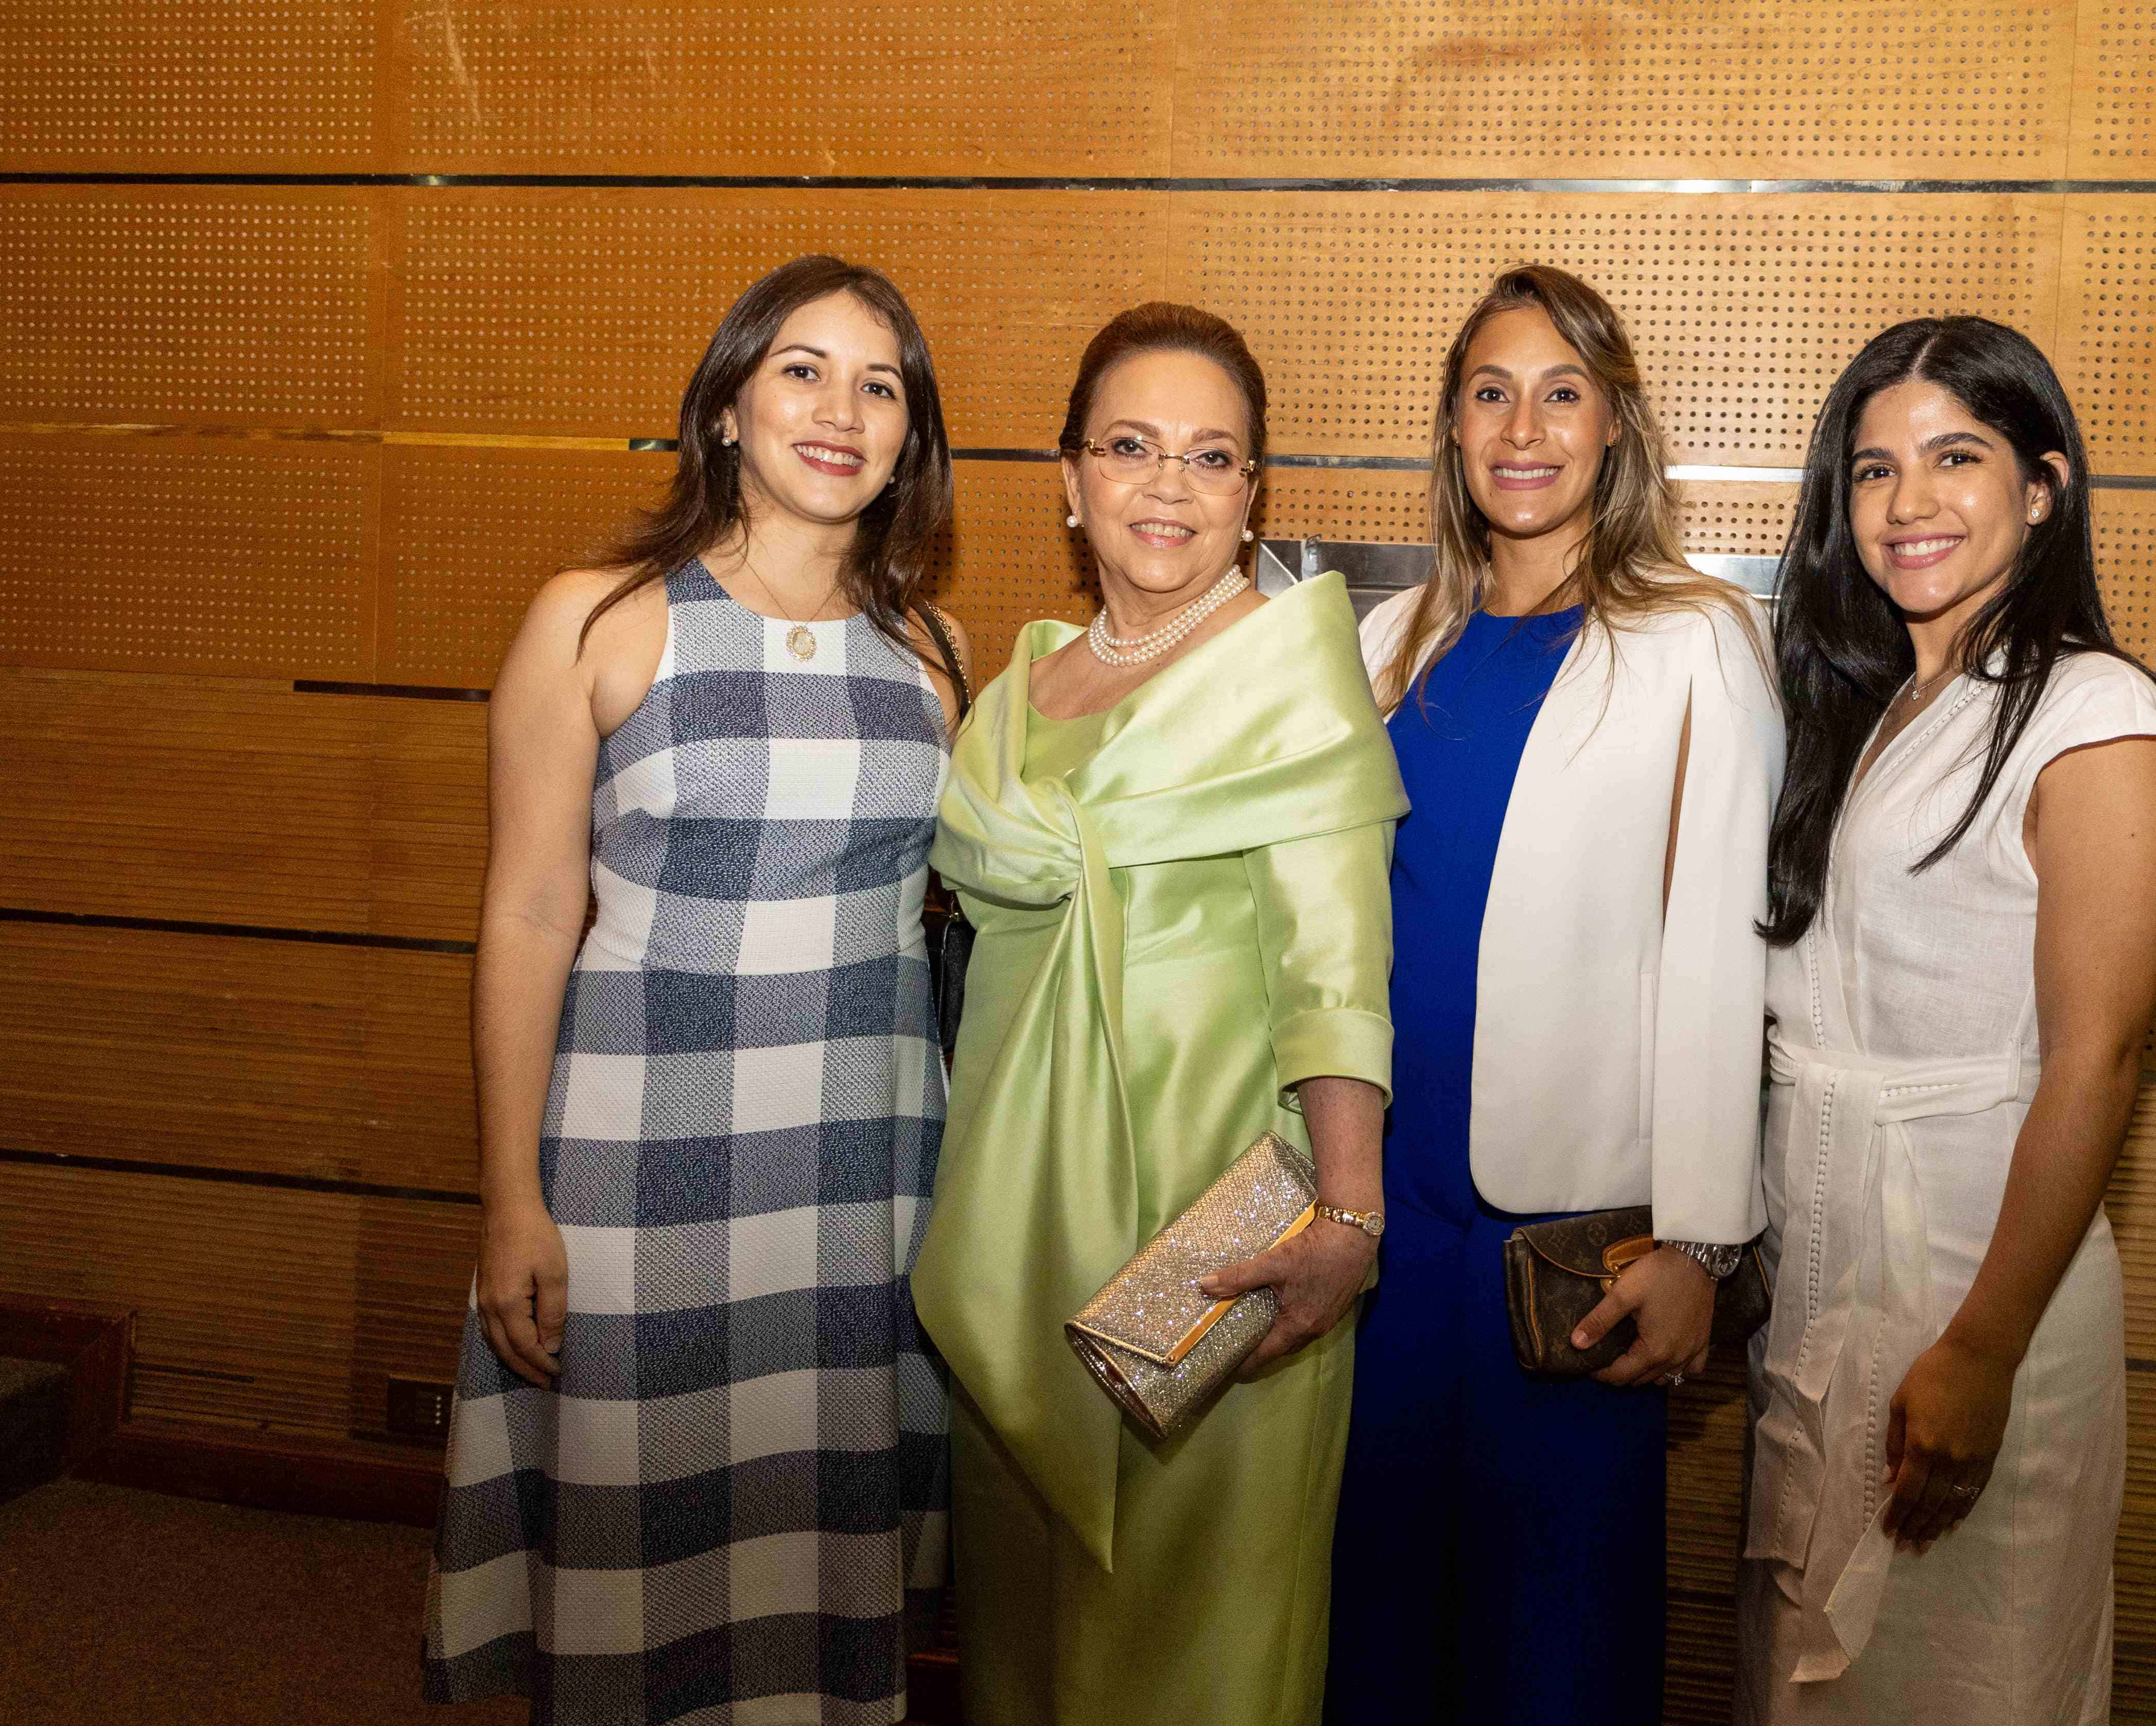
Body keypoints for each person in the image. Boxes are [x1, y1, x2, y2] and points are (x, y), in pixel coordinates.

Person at [424, 255, 969, 1724]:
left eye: (880, 382)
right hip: (639, 1166)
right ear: (728, 405)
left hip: (863, 1174)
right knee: (638, 1553)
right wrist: (506, 1196)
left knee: (817, 1549)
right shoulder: (598, 618)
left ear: (910, 432)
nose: (841, 408)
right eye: (803, 368)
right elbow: (531, 912)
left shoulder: (934, 652)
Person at [915, 303, 1409, 1726]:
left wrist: (1350, 1227)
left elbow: (1338, 973)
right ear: (1070, 481)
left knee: (1188, 1649)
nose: (1168, 487)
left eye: (1212, 457)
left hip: (1213, 1242)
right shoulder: (1019, 684)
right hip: (1018, 1228)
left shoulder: (1286, 678)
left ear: (1255, 495)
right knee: (1030, 1635)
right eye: (1130, 447)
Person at [1328, 264, 1783, 1725]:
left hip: (1572, 1246)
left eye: (1562, 392)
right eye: (1489, 392)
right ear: (1454, 431)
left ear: (1614, 430)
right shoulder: (1379, 645)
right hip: (1382, 1225)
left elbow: (1723, 948)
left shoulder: (1697, 637)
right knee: (1375, 1617)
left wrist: (1702, 1240)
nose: (1523, 426)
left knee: (1555, 1642)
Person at [1741, 316, 2156, 1722]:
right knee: (1817, 1674)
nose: (1909, 502)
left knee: (1963, 1678)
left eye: (1956, 457)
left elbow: (2098, 1059)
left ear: (2044, 485)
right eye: (1873, 471)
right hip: (1824, 1262)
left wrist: (1985, 1348)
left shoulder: (2095, 716)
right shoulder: (1875, 706)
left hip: (1975, 1264)